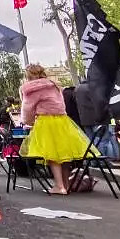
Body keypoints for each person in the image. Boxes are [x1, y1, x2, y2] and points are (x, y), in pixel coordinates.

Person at [20, 64, 98, 194]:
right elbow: (62, 104)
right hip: (63, 121)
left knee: (52, 155)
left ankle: (59, 186)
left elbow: (28, 109)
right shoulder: (54, 85)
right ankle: (66, 184)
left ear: (28, 76)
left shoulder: (31, 89)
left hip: (46, 121)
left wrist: (27, 121)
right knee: (64, 154)